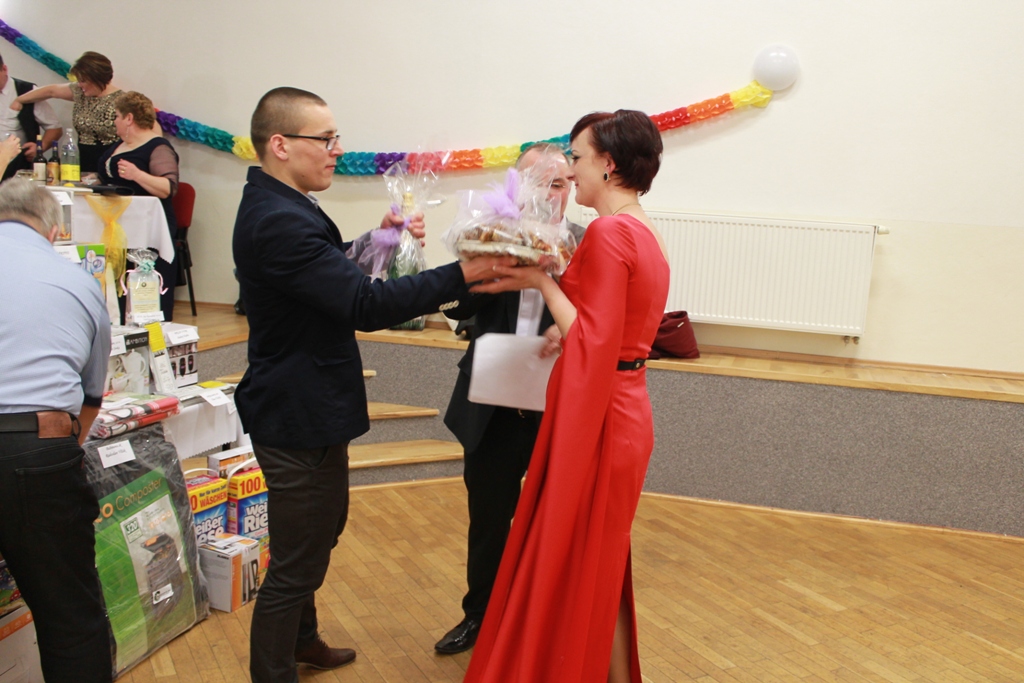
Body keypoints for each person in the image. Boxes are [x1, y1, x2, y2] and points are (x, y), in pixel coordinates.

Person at [232, 86, 515, 683]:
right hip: (295, 410)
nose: (337, 149)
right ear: (280, 144)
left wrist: (382, 238)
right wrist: (464, 271)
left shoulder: (284, 204)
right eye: (326, 138)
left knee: (318, 534)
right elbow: (364, 303)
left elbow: (325, 268)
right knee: (297, 560)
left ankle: (302, 641)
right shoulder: (278, 218)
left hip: (309, 405)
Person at [462, 110, 670, 683]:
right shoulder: (641, 227)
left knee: (585, 557)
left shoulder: (608, 232)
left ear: (608, 164)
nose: (571, 170)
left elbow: (591, 341)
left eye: (576, 158)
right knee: (600, 561)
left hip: (605, 414)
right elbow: (611, 329)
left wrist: (539, 281)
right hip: (628, 406)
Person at [434, 143, 585, 655]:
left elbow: (601, 321)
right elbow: (455, 307)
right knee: (489, 517)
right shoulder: (490, 235)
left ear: (572, 189)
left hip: (557, 404)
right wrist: (475, 264)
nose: (549, 193)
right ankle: (480, 616)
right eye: (537, 183)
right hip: (493, 401)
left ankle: (541, 623)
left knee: (553, 521)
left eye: (559, 183)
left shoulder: (587, 245)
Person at [0, 178, 113, 682]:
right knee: (70, 617)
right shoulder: (77, 281)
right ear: (53, 231)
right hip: (38, 449)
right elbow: (91, 396)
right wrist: (57, 447)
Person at [97, 91, 180, 321]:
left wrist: (137, 174)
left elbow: (168, 187)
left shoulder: (158, 147)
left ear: (129, 118)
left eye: (117, 116)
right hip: (118, 226)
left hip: (147, 228)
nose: (114, 121)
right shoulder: (119, 145)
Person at [11, 51, 121, 173]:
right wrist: (19, 100)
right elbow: (51, 91)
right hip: (82, 160)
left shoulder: (121, 101)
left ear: (97, 79)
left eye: (83, 81)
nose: (80, 85)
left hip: (109, 162)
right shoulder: (80, 92)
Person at [0, 51, 63, 180]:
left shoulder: (27, 91)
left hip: (16, 167)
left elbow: (55, 128)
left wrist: (40, 148)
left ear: (4, 69)